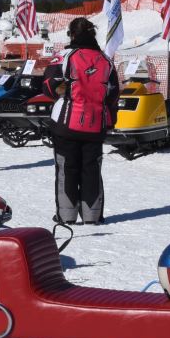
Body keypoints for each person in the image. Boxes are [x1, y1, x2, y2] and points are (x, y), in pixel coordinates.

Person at [49, 17, 118, 225]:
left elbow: (47, 84)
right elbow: (113, 94)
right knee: (92, 170)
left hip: (66, 123)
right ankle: (92, 216)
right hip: (96, 123)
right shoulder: (106, 60)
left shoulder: (65, 56)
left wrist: (63, 90)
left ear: (72, 35)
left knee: (66, 168)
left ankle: (66, 216)